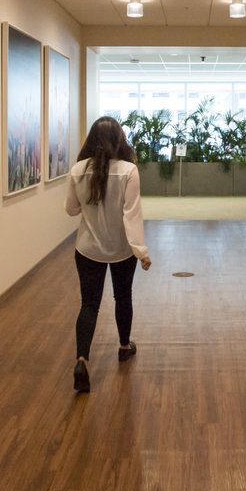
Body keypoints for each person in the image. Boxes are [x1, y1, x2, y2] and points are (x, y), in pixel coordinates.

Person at [65, 116, 152, 393]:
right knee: (122, 296)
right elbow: (132, 215)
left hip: (88, 249)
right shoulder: (129, 170)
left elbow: (71, 209)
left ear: (91, 139)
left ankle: (81, 359)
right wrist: (141, 251)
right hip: (121, 250)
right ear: (119, 141)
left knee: (89, 304)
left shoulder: (78, 169)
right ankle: (124, 347)